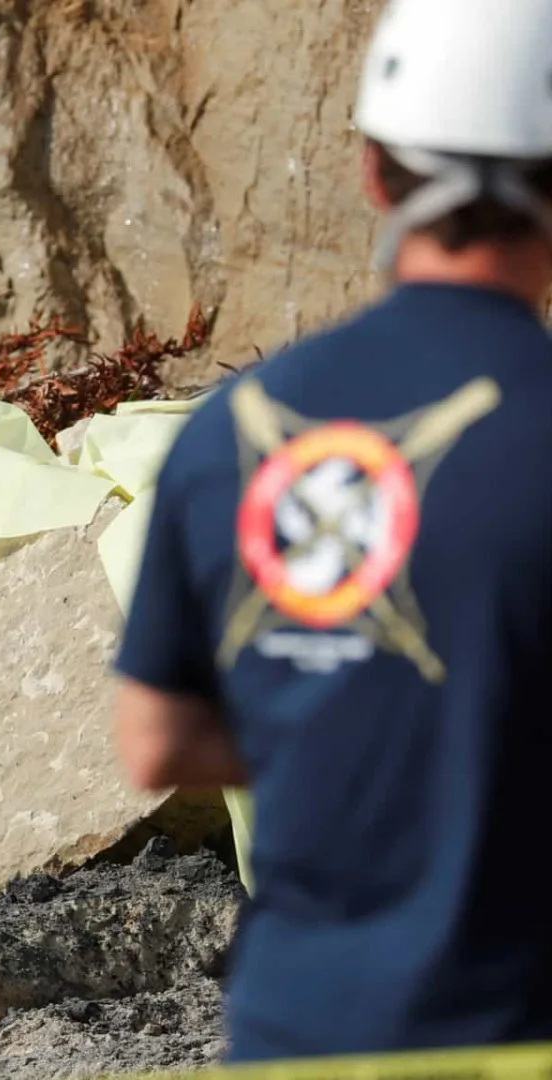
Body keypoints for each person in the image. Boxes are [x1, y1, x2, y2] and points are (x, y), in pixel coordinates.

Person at [110, 0, 552, 1062]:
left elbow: (155, 742)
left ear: (370, 172)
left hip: (297, 1029)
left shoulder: (235, 429)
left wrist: (346, 727)